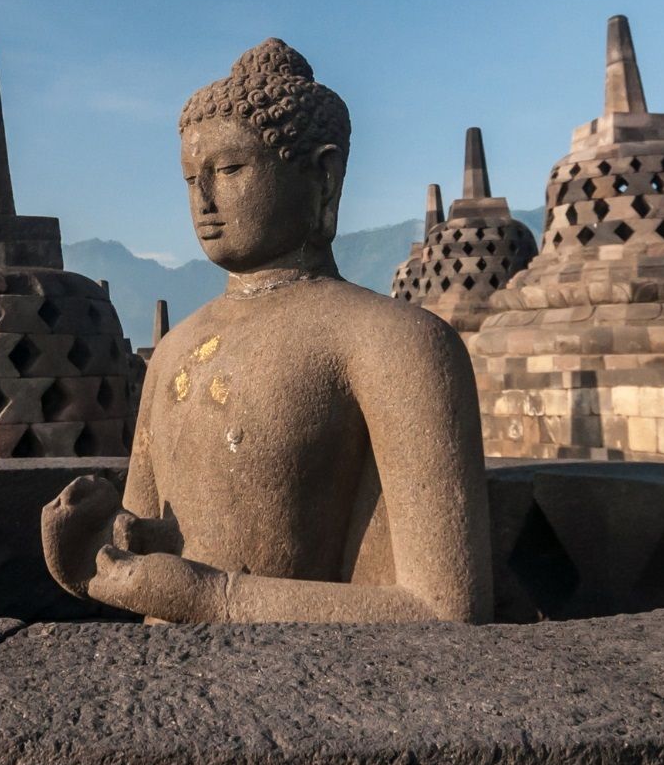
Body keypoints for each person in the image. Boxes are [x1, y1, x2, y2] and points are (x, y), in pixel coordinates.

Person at [42, 39, 492, 623]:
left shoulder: (396, 344)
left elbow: (445, 607)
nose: (203, 199)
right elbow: (150, 544)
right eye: (189, 178)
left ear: (323, 178)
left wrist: (213, 599)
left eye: (230, 169)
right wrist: (99, 556)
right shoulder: (176, 350)